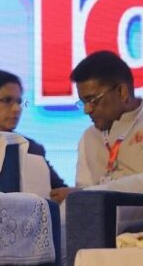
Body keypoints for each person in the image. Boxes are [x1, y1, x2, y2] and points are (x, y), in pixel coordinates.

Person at [50, 50, 143, 203]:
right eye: (83, 102)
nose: (87, 110)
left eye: (92, 100)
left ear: (122, 92)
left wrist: (86, 193)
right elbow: (85, 196)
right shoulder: (89, 137)